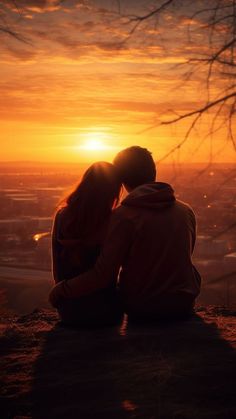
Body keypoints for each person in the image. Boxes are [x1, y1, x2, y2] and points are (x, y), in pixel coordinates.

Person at [49, 146, 201, 322]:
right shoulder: (186, 211)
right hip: (184, 304)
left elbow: (103, 274)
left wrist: (61, 289)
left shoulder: (123, 217)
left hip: (142, 307)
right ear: (153, 171)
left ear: (122, 180)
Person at [51, 161, 123, 326]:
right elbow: (107, 275)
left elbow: (57, 268)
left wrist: (61, 294)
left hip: (69, 310)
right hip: (106, 311)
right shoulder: (112, 221)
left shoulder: (62, 217)